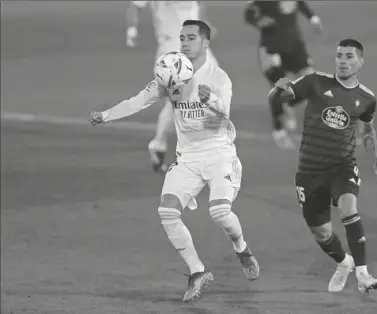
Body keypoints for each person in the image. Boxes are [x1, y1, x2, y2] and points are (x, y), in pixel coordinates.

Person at [90, 20, 260, 302]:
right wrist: (105, 115)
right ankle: (198, 271)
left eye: (191, 38)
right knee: (167, 212)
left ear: (206, 42)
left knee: (219, 213)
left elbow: (225, 114)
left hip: (219, 155)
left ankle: (242, 249)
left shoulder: (218, 77)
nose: (183, 43)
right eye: (181, 37)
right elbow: (138, 101)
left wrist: (212, 101)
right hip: (188, 158)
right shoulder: (170, 75)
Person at [268, 39, 377, 293]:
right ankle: (344, 263)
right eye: (339, 55)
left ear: (360, 61)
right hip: (310, 170)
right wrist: (279, 88)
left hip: (343, 165)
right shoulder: (315, 81)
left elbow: (367, 131)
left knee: (349, 207)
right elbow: (279, 96)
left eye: (349, 56)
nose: (343, 61)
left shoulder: (367, 98)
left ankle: (363, 274)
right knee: (321, 231)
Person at [126, 1, 218, 172]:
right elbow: (135, 7)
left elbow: (198, 4)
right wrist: (132, 29)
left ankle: (159, 144)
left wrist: (206, 24)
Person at [244, 0, 322, 145]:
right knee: (280, 87)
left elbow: (301, 4)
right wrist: (259, 21)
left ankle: (288, 104)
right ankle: (278, 130)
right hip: (271, 49)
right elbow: (248, 14)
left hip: (295, 46)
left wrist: (313, 18)